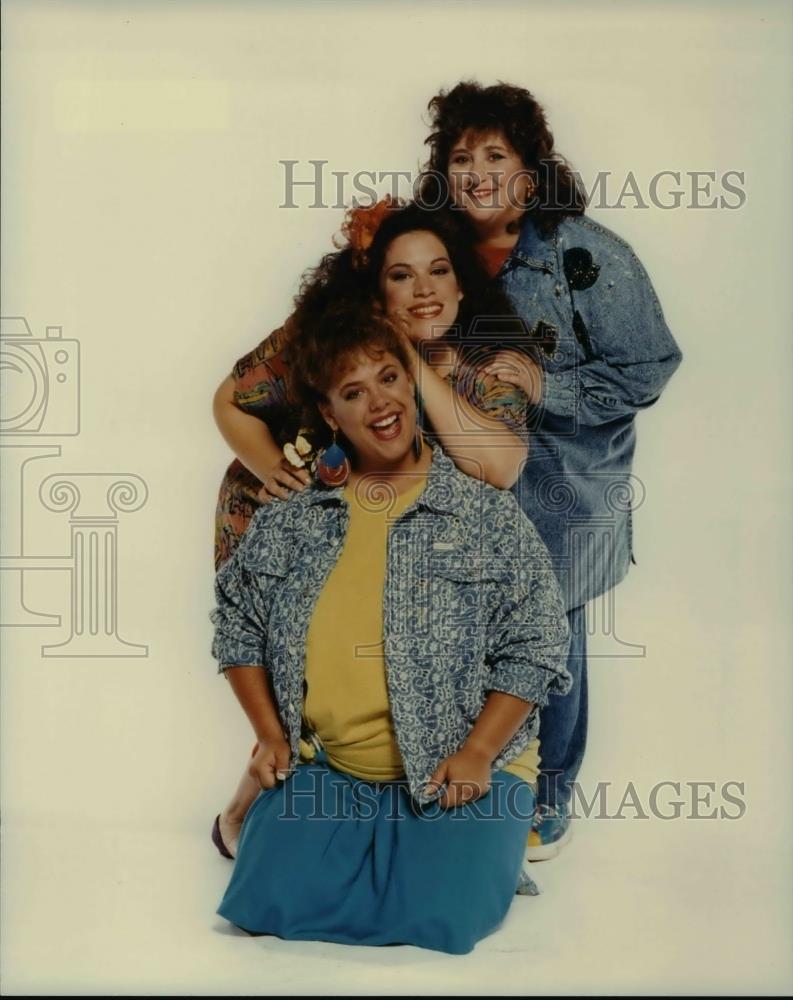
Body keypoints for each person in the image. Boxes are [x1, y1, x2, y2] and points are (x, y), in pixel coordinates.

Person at [210, 298, 571, 953]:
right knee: (263, 905)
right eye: (353, 392)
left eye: (388, 377)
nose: (379, 402)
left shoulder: (482, 514)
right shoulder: (296, 518)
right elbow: (237, 621)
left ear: (410, 382)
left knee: (443, 920)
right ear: (329, 414)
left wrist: (478, 753)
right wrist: (268, 735)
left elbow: (537, 643)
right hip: (334, 771)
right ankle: (384, 849)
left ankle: (471, 848)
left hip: (460, 771)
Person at [420, 80, 683, 858]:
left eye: (494, 156)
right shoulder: (437, 251)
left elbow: (648, 367)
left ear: (530, 172)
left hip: (564, 493)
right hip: (464, 480)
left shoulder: (583, 254)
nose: (476, 173)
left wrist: (547, 385)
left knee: (548, 638)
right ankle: (462, 782)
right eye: (460, 158)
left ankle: (547, 800)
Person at [213, 200, 534, 571]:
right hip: (279, 542)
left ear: (460, 285)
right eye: (401, 276)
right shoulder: (327, 340)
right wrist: (272, 469)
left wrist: (406, 352)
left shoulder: (488, 373)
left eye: (439, 271)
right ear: (376, 293)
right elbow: (229, 400)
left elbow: (501, 468)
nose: (424, 289)